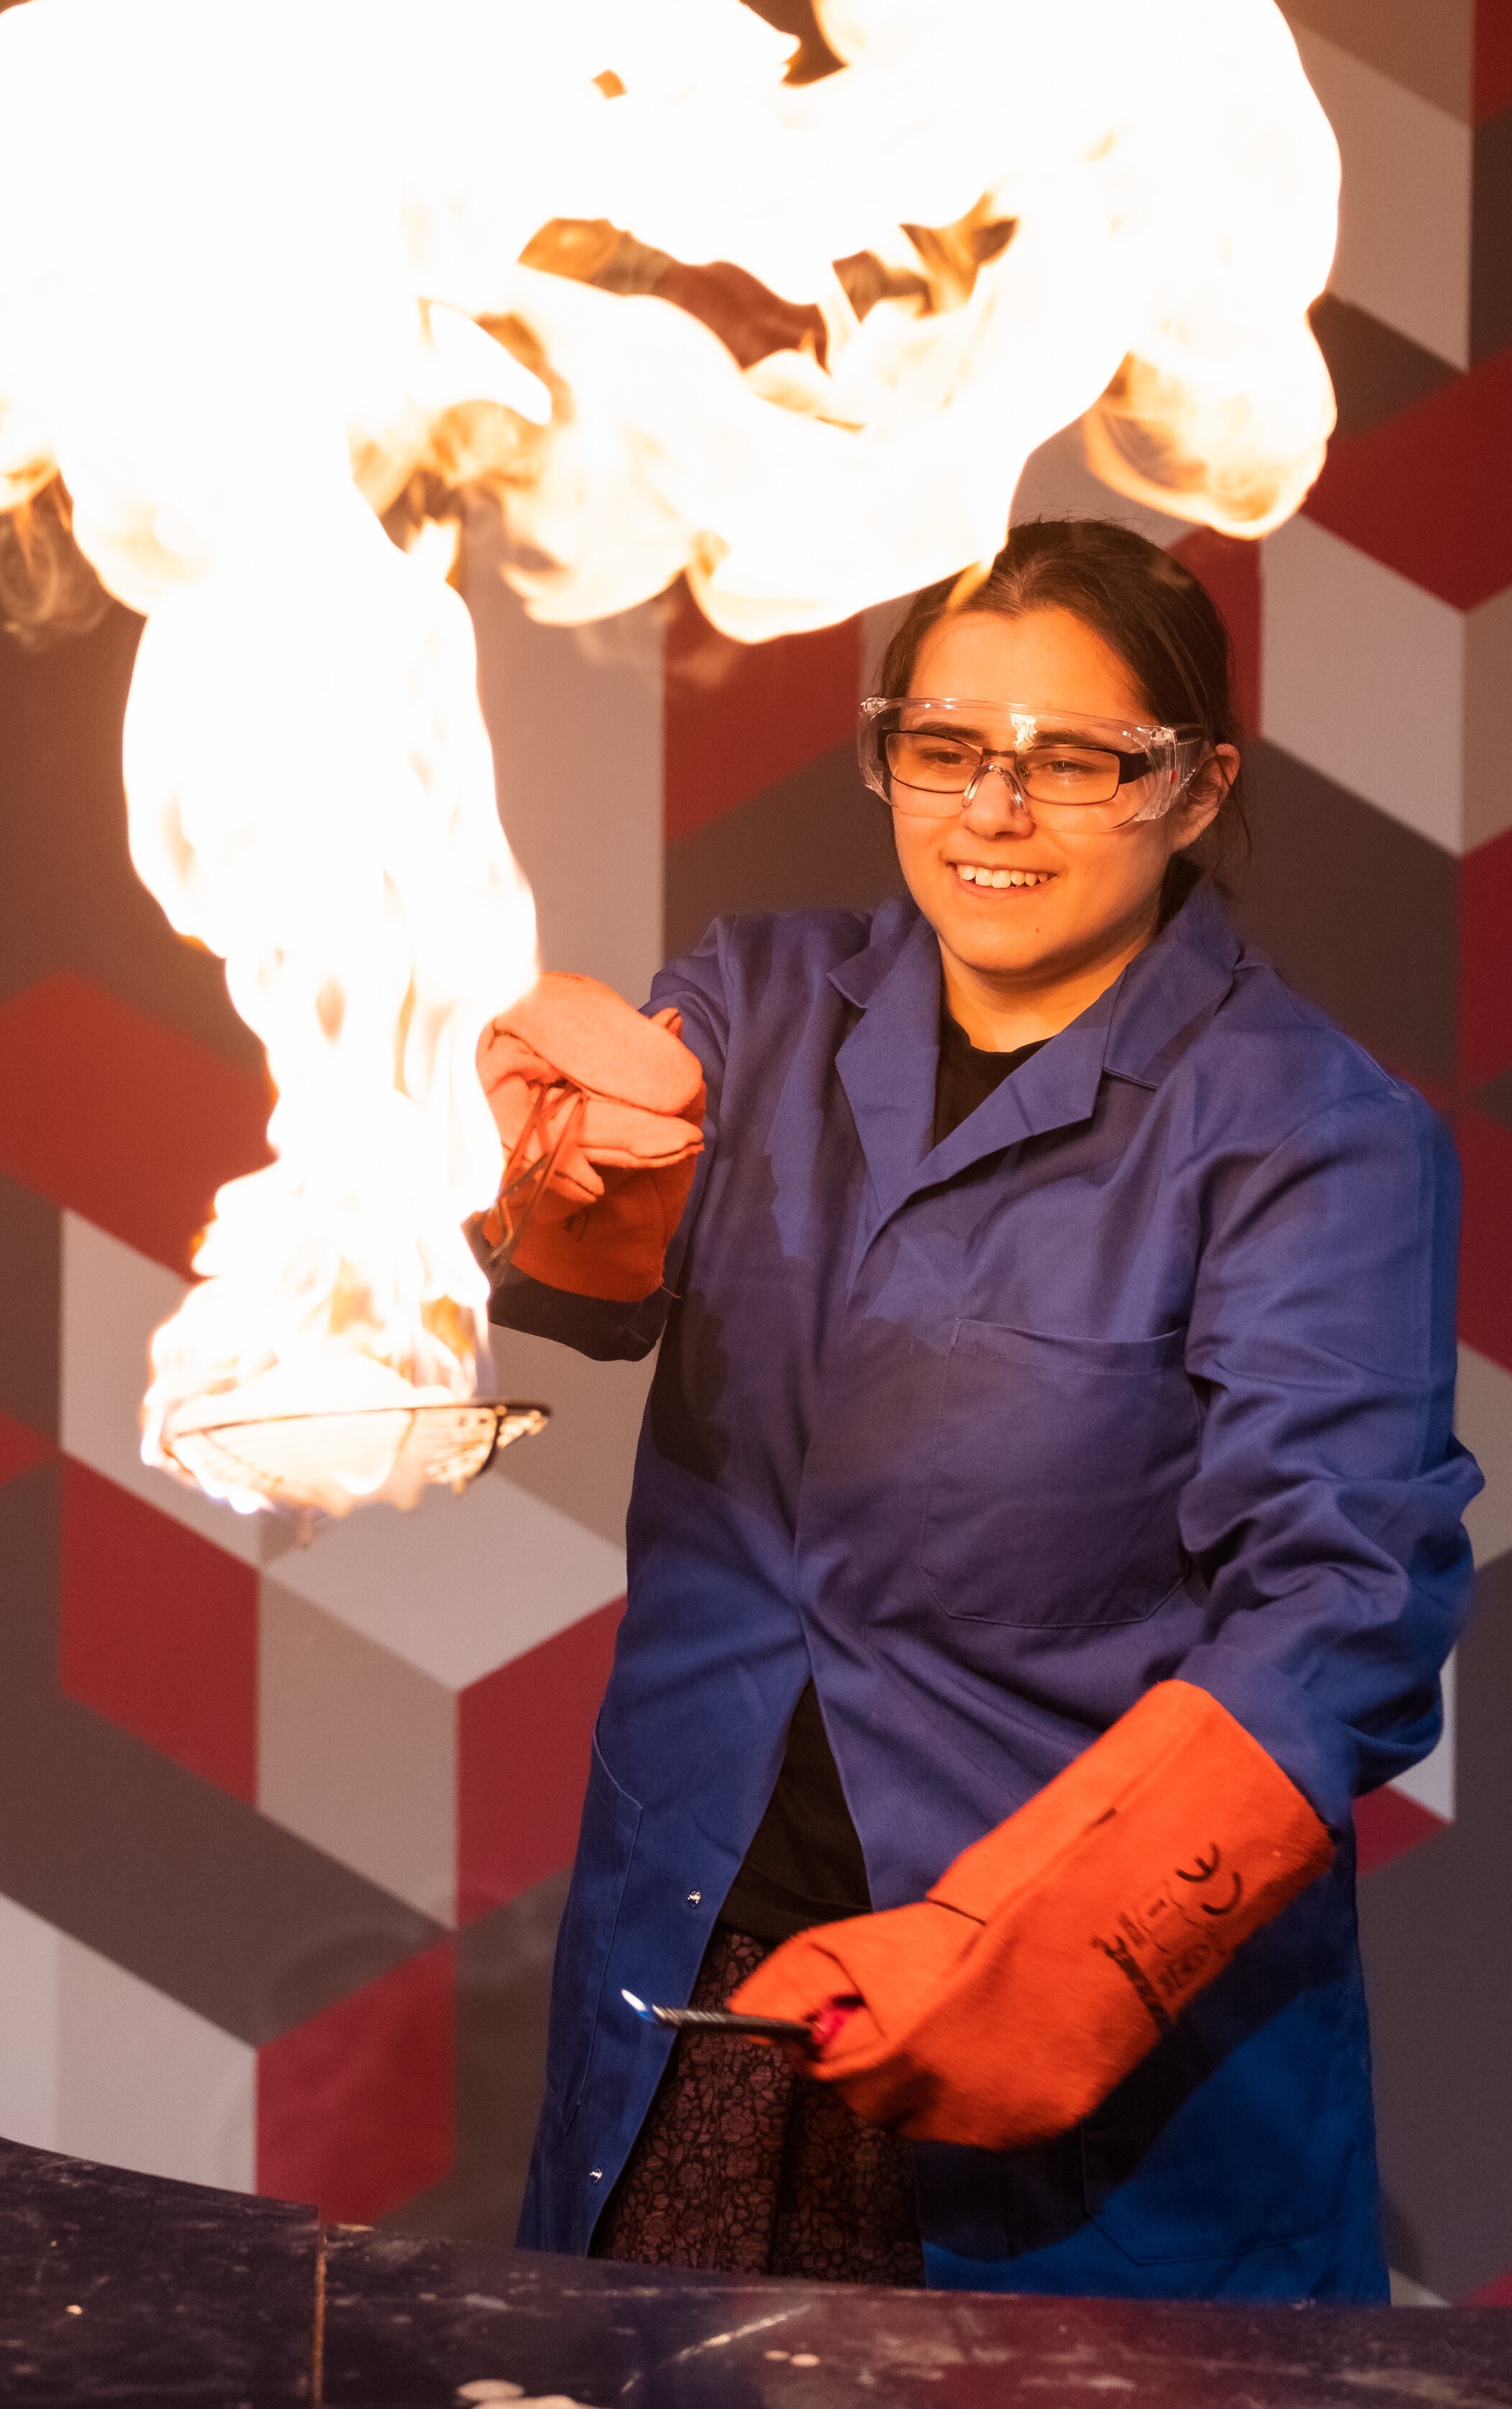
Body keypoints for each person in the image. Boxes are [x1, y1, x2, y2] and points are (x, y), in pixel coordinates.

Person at [478, 517, 1476, 2301]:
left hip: (1068, 2033)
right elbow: (589, 1277)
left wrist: (1036, 1942)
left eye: (1073, 759)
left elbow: (1347, 1609)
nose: (990, 809)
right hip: (701, 1975)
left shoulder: (1308, 1129)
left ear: (1193, 785)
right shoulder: (756, 1001)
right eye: (943, 746)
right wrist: (560, 1163)